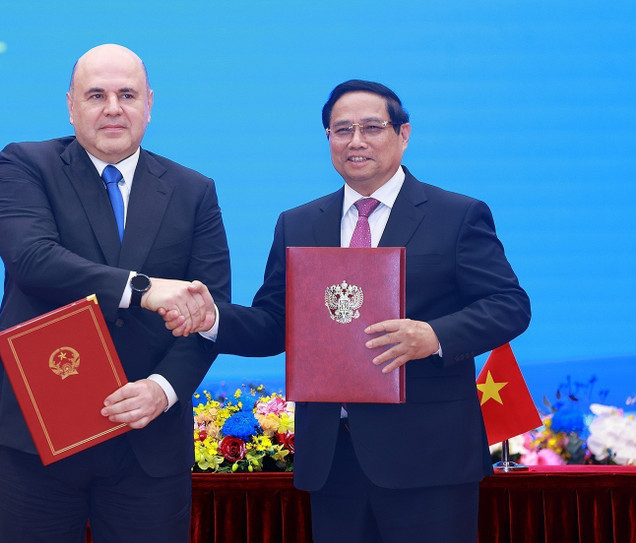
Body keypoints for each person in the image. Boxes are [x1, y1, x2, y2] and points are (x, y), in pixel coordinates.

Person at [160, 80, 531, 542]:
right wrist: (212, 319)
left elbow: (510, 305)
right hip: (332, 457)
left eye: (371, 127)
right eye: (342, 130)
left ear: (404, 134)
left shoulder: (456, 214)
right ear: (329, 140)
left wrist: (432, 337)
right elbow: (275, 324)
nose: (356, 141)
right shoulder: (298, 222)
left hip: (427, 456)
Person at [0, 44, 230, 543]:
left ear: (149, 103)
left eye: (127, 94)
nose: (113, 107)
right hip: (38, 432)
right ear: (71, 104)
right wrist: (142, 290)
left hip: (147, 439)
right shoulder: (26, 165)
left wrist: (164, 389)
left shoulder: (194, 190)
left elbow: (208, 311)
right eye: (96, 95)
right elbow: (32, 260)